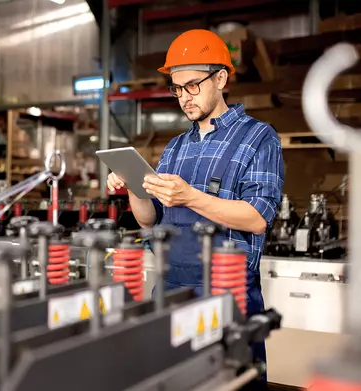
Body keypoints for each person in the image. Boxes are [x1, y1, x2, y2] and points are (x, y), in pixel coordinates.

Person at [107, 29, 284, 386]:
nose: (184, 97)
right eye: (176, 88)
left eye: (193, 85)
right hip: (171, 285)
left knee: (233, 382)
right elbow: (149, 221)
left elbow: (256, 219)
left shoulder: (259, 138)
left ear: (220, 78)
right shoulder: (175, 147)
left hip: (227, 291)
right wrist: (134, 188)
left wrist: (190, 197)